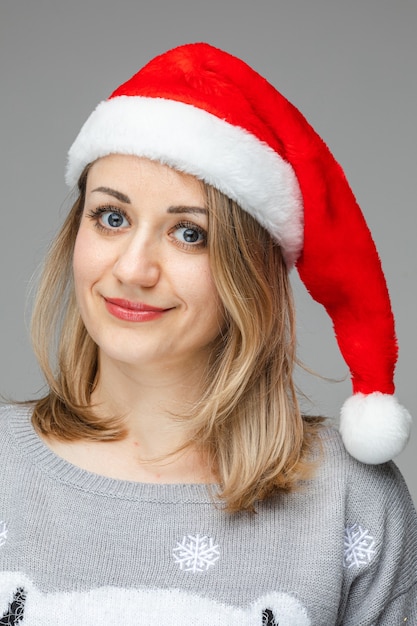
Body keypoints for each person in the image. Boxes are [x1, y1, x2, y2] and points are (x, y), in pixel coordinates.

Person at [0, 42, 416, 625]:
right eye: (111, 217)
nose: (133, 269)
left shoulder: (350, 504)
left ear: (251, 271)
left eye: (189, 233)